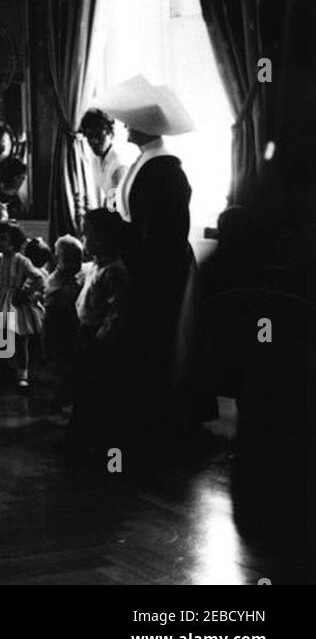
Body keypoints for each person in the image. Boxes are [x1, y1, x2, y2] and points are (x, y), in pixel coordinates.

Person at [100, 74, 205, 428]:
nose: (126, 128)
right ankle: (147, 408)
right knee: (148, 336)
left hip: (161, 265)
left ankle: (164, 412)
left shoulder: (164, 170)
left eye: (132, 123)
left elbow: (159, 230)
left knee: (162, 335)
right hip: (146, 259)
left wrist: (119, 231)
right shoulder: (145, 163)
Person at [71, 208, 136, 446]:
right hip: (85, 332)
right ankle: (78, 437)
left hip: (99, 339)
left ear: (101, 238)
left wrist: (100, 341)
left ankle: (96, 442)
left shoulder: (114, 272)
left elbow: (117, 313)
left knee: (96, 391)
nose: (83, 239)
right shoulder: (95, 267)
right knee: (82, 388)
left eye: (86, 234)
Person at [0, 220, 46, 390]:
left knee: (20, 339)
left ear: (14, 242)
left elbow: (39, 279)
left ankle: (23, 374)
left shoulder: (22, 261)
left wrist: (25, 292)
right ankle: (0, 370)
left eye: (3, 239)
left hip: (16, 303)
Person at [42, 235, 85, 421]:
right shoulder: (60, 281)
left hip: (65, 331)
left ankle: (61, 406)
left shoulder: (69, 278)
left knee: (66, 372)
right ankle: (57, 407)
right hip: (60, 332)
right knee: (63, 371)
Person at [79, 108, 136, 212]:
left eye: (99, 136)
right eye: (90, 136)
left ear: (111, 134)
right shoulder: (99, 161)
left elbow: (116, 210)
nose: (94, 141)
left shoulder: (118, 166)